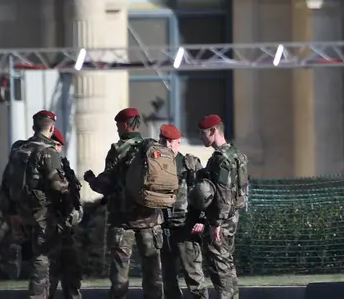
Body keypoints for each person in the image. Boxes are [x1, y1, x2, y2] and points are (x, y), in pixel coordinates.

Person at [84, 107, 165, 299]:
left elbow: (106, 184)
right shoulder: (153, 147)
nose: (117, 129)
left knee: (120, 271)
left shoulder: (118, 150)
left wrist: (91, 180)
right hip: (151, 219)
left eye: (118, 125)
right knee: (153, 271)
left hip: (124, 220)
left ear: (125, 125)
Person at [0, 111, 70, 299]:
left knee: (38, 253)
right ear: (52, 128)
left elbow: (6, 180)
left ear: (33, 127)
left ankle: (15, 243)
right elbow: (56, 184)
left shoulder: (18, 150)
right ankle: (37, 295)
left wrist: (10, 210)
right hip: (42, 213)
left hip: (19, 210)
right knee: (42, 257)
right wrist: (68, 186)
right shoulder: (48, 151)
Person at [195, 115, 248, 299]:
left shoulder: (220, 159)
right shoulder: (237, 154)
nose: (200, 137)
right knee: (226, 261)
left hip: (221, 219)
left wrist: (215, 223)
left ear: (213, 131)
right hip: (232, 216)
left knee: (219, 265)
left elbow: (223, 193)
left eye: (203, 133)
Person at [158, 124, 206, 299]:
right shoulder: (153, 166)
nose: (169, 145)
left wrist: (201, 219)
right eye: (165, 141)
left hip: (186, 227)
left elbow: (204, 194)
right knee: (167, 280)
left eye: (173, 142)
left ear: (179, 142)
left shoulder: (190, 164)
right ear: (159, 141)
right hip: (161, 229)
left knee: (194, 277)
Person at [49, 128, 83, 299]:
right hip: (48, 227)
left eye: (57, 145)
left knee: (73, 274)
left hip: (67, 228)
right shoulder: (41, 165)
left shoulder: (64, 166)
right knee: (48, 277)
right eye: (52, 144)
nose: (54, 148)